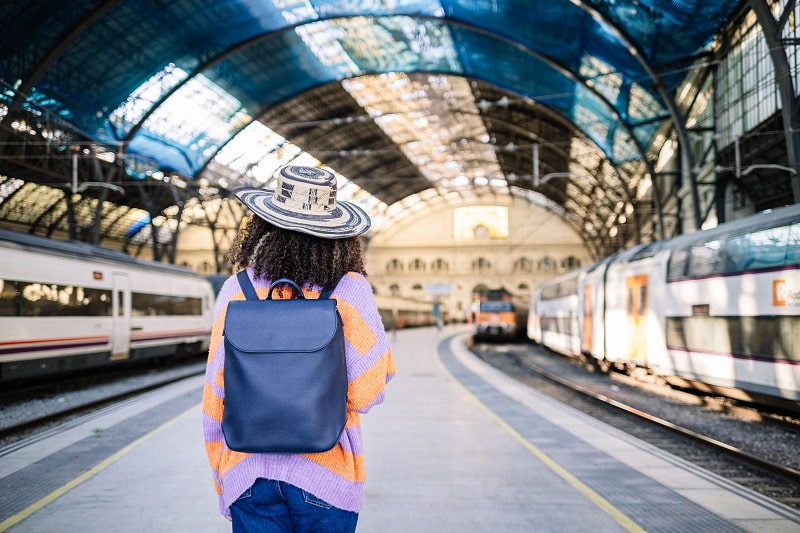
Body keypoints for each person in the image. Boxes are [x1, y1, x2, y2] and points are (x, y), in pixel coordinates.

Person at [202, 164, 396, 532]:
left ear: (266, 226)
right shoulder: (349, 290)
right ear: (337, 234)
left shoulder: (236, 290)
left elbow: (215, 393)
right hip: (326, 472)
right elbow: (365, 395)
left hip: (246, 473)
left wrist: (221, 479)